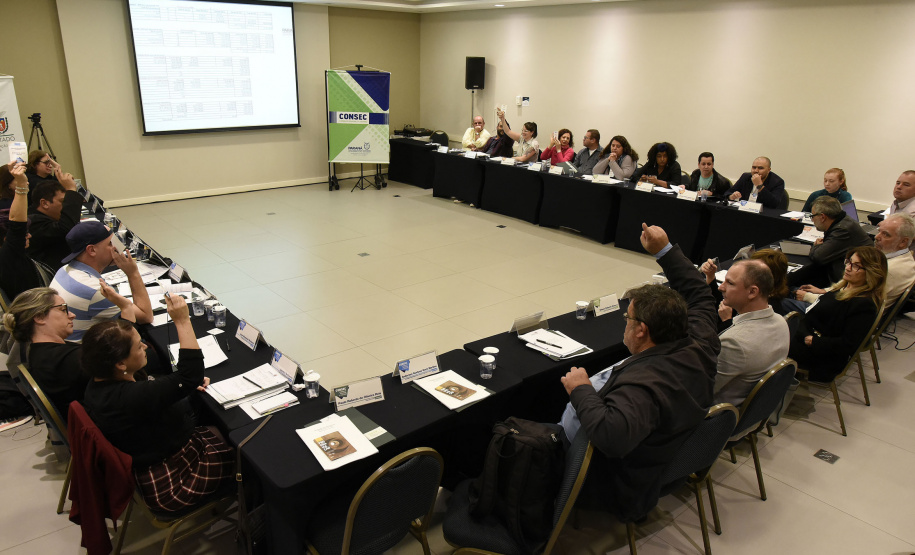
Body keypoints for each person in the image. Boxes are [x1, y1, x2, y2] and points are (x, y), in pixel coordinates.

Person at [558, 223, 718, 522]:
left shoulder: (646, 384)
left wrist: (581, 389)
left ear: (642, 330)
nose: (625, 322)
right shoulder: (700, 343)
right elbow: (700, 295)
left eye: (627, 317)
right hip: (659, 454)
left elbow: (611, 435)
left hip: (604, 479)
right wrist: (664, 251)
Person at [81, 295, 234, 512]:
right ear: (120, 363)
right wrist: (182, 321)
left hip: (157, 460)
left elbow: (177, 385)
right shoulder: (132, 396)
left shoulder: (99, 381)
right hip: (173, 481)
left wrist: (179, 388)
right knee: (248, 458)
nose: (144, 346)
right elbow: (190, 375)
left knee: (220, 430)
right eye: (138, 346)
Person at [787, 246, 887, 382]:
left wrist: (812, 341)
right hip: (807, 335)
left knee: (769, 346)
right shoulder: (844, 286)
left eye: (856, 266)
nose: (848, 268)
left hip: (820, 355)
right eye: (849, 262)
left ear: (871, 273)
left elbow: (848, 344)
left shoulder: (864, 304)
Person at [50, 221, 154, 342]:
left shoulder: (64, 270)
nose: (118, 248)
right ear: (92, 250)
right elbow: (145, 316)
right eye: (110, 243)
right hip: (86, 355)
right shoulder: (93, 290)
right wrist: (133, 273)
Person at [711, 260, 790, 406]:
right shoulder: (781, 322)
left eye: (730, 283)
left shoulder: (734, 342)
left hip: (713, 417)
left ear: (753, 292)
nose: (721, 287)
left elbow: (700, 390)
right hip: (749, 411)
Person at [796, 213, 915, 309]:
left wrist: (809, 297)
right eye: (879, 231)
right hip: (844, 305)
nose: (877, 237)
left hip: (840, 318)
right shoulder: (905, 259)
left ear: (903, 242)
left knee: (785, 299)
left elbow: (847, 303)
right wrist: (824, 291)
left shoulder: (887, 270)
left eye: (886, 235)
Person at [2, 287, 88, 420]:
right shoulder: (67, 359)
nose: (72, 315)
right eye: (63, 309)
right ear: (40, 317)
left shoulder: (40, 355)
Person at [787, 196, 872, 288]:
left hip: (855, 281)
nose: (812, 220)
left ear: (823, 217)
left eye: (812, 216)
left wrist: (815, 246)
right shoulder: (843, 220)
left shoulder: (842, 230)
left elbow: (819, 257)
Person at [699, 248, 791, 326]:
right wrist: (710, 277)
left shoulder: (765, 310)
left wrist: (727, 321)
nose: (721, 287)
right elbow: (722, 301)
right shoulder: (762, 298)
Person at [0, 164, 47, 300]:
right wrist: (21, 186)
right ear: (6, 240)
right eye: (26, 233)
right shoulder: (8, 257)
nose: (30, 235)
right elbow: (17, 224)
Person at [27, 178, 82, 271]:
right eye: (62, 201)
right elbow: (66, 229)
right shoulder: (34, 222)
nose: (65, 206)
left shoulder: (39, 216)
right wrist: (71, 191)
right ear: (44, 203)